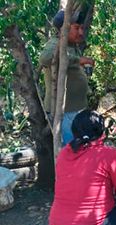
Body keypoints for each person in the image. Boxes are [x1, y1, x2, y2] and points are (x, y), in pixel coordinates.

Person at [40, 9, 94, 146]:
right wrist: (78, 60)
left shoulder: (72, 46)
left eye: (81, 28)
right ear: (63, 29)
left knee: (80, 148)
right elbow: (45, 58)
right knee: (71, 150)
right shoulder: (55, 44)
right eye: (76, 28)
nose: (81, 32)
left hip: (76, 110)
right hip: (64, 113)